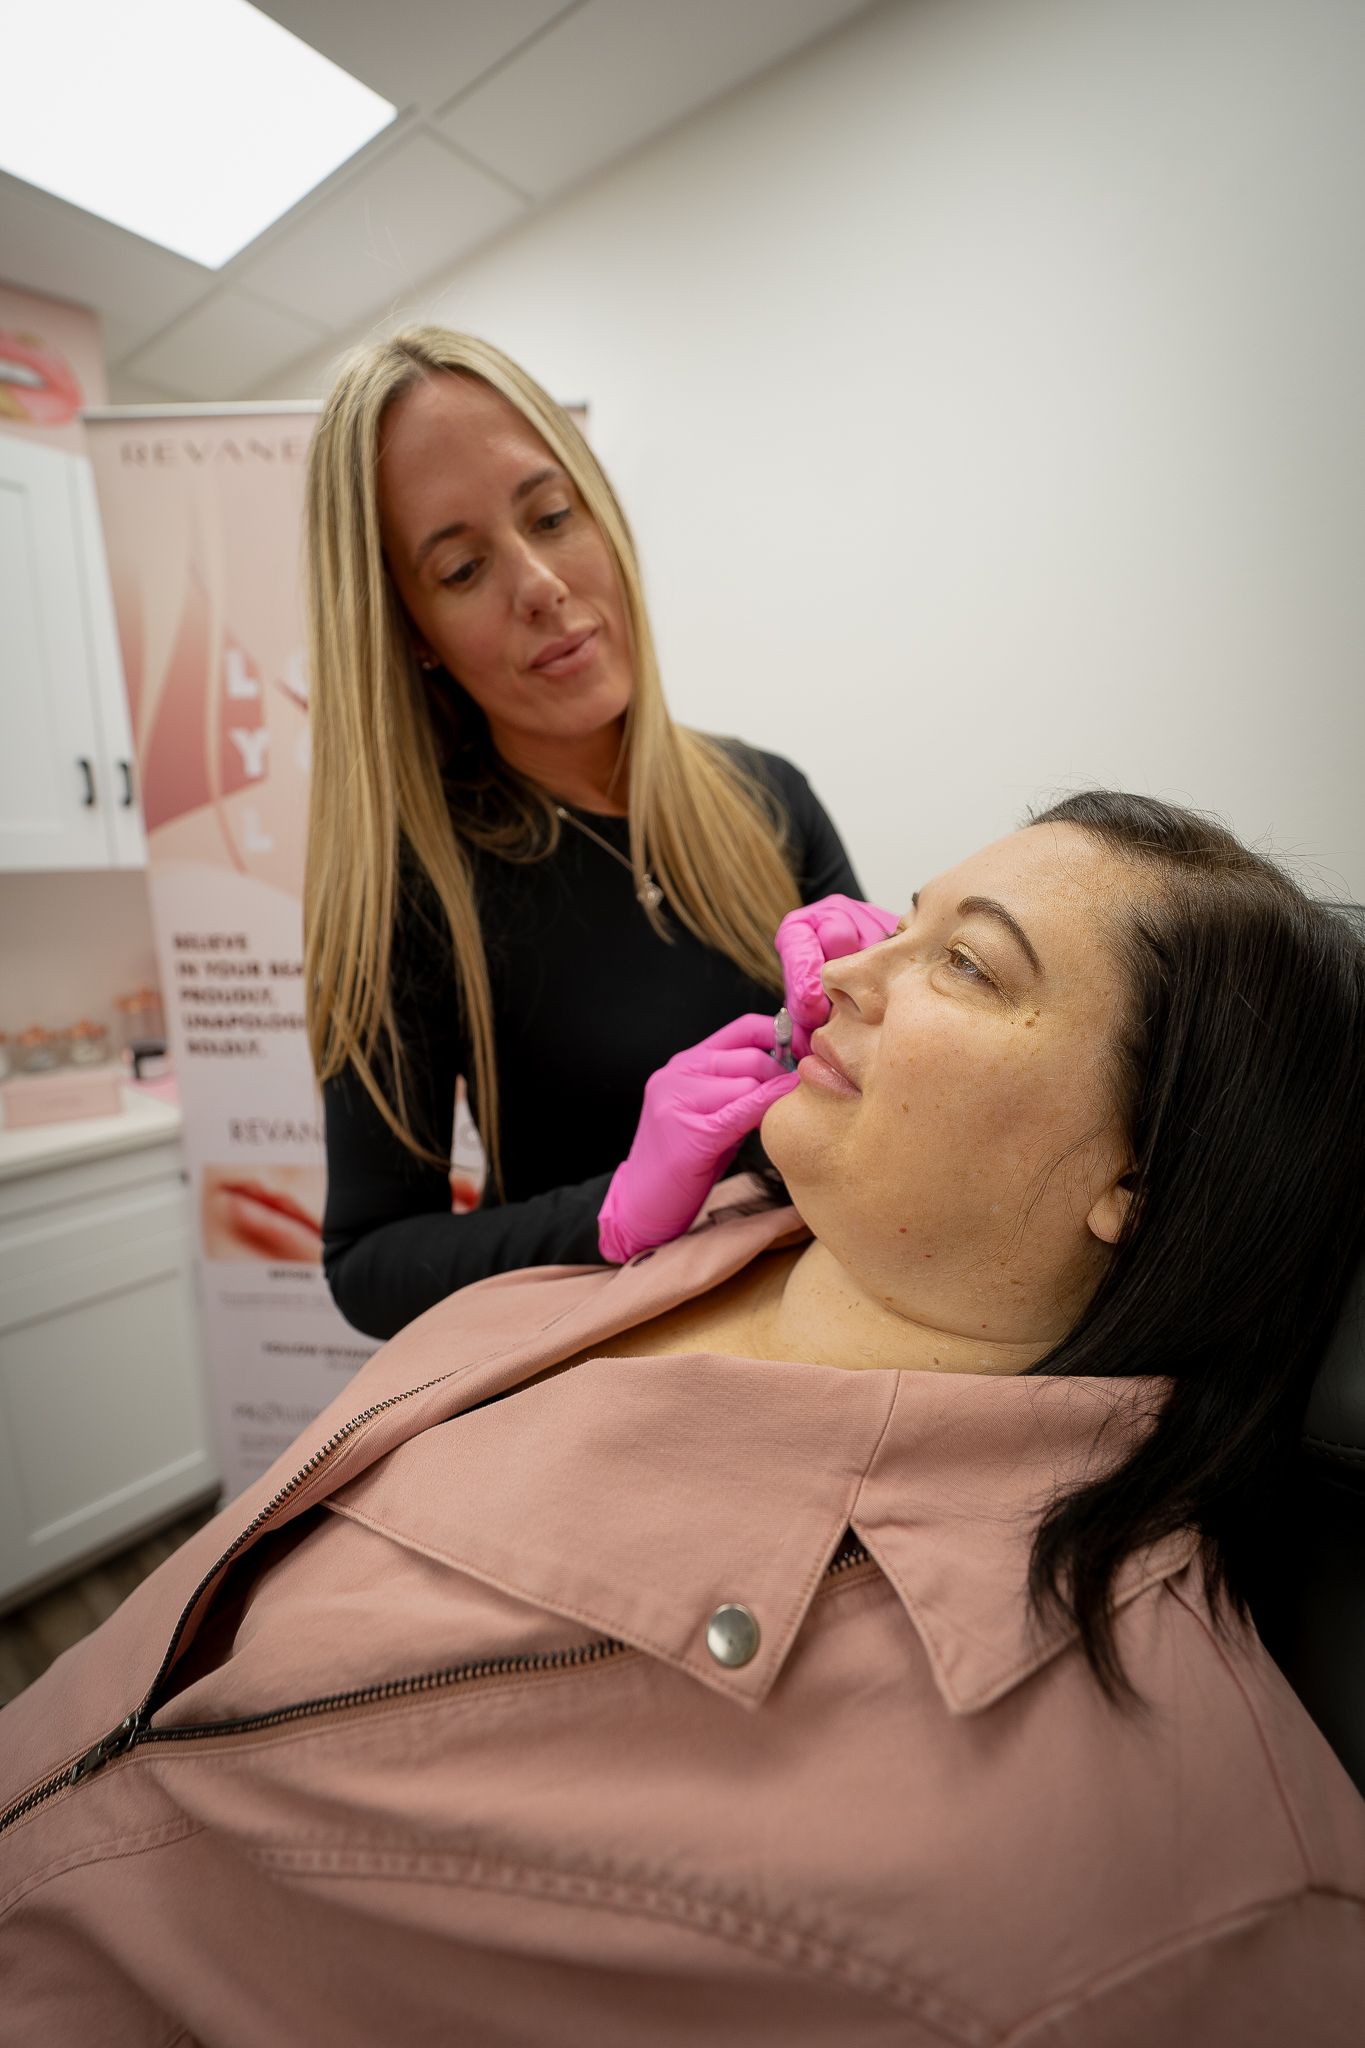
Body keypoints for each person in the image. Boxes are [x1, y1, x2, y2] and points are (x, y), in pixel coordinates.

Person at [3, 791, 1363, 2044]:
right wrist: (610, 1229)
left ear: (1145, 1166)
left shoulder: (1175, 1887)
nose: (831, 975)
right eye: (900, 920)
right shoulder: (716, 1234)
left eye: (967, 963)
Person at [304, 327, 886, 1340]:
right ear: (411, 633)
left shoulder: (771, 795)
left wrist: (897, 998)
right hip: (615, 1367)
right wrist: (613, 1209)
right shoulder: (413, 886)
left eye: (553, 514)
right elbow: (369, 1260)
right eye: (461, 568)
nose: (539, 582)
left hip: (835, 1319)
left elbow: (886, 1116)